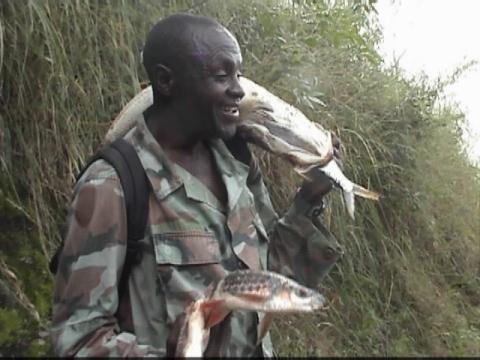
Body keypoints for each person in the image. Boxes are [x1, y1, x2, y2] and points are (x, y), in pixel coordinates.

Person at [51, 13, 343, 357]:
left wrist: (309, 198)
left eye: (238, 73)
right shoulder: (112, 184)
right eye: (222, 75)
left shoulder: (235, 163)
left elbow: (266, 279)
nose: (238, 88)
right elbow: (77, 341)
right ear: (166, 80)